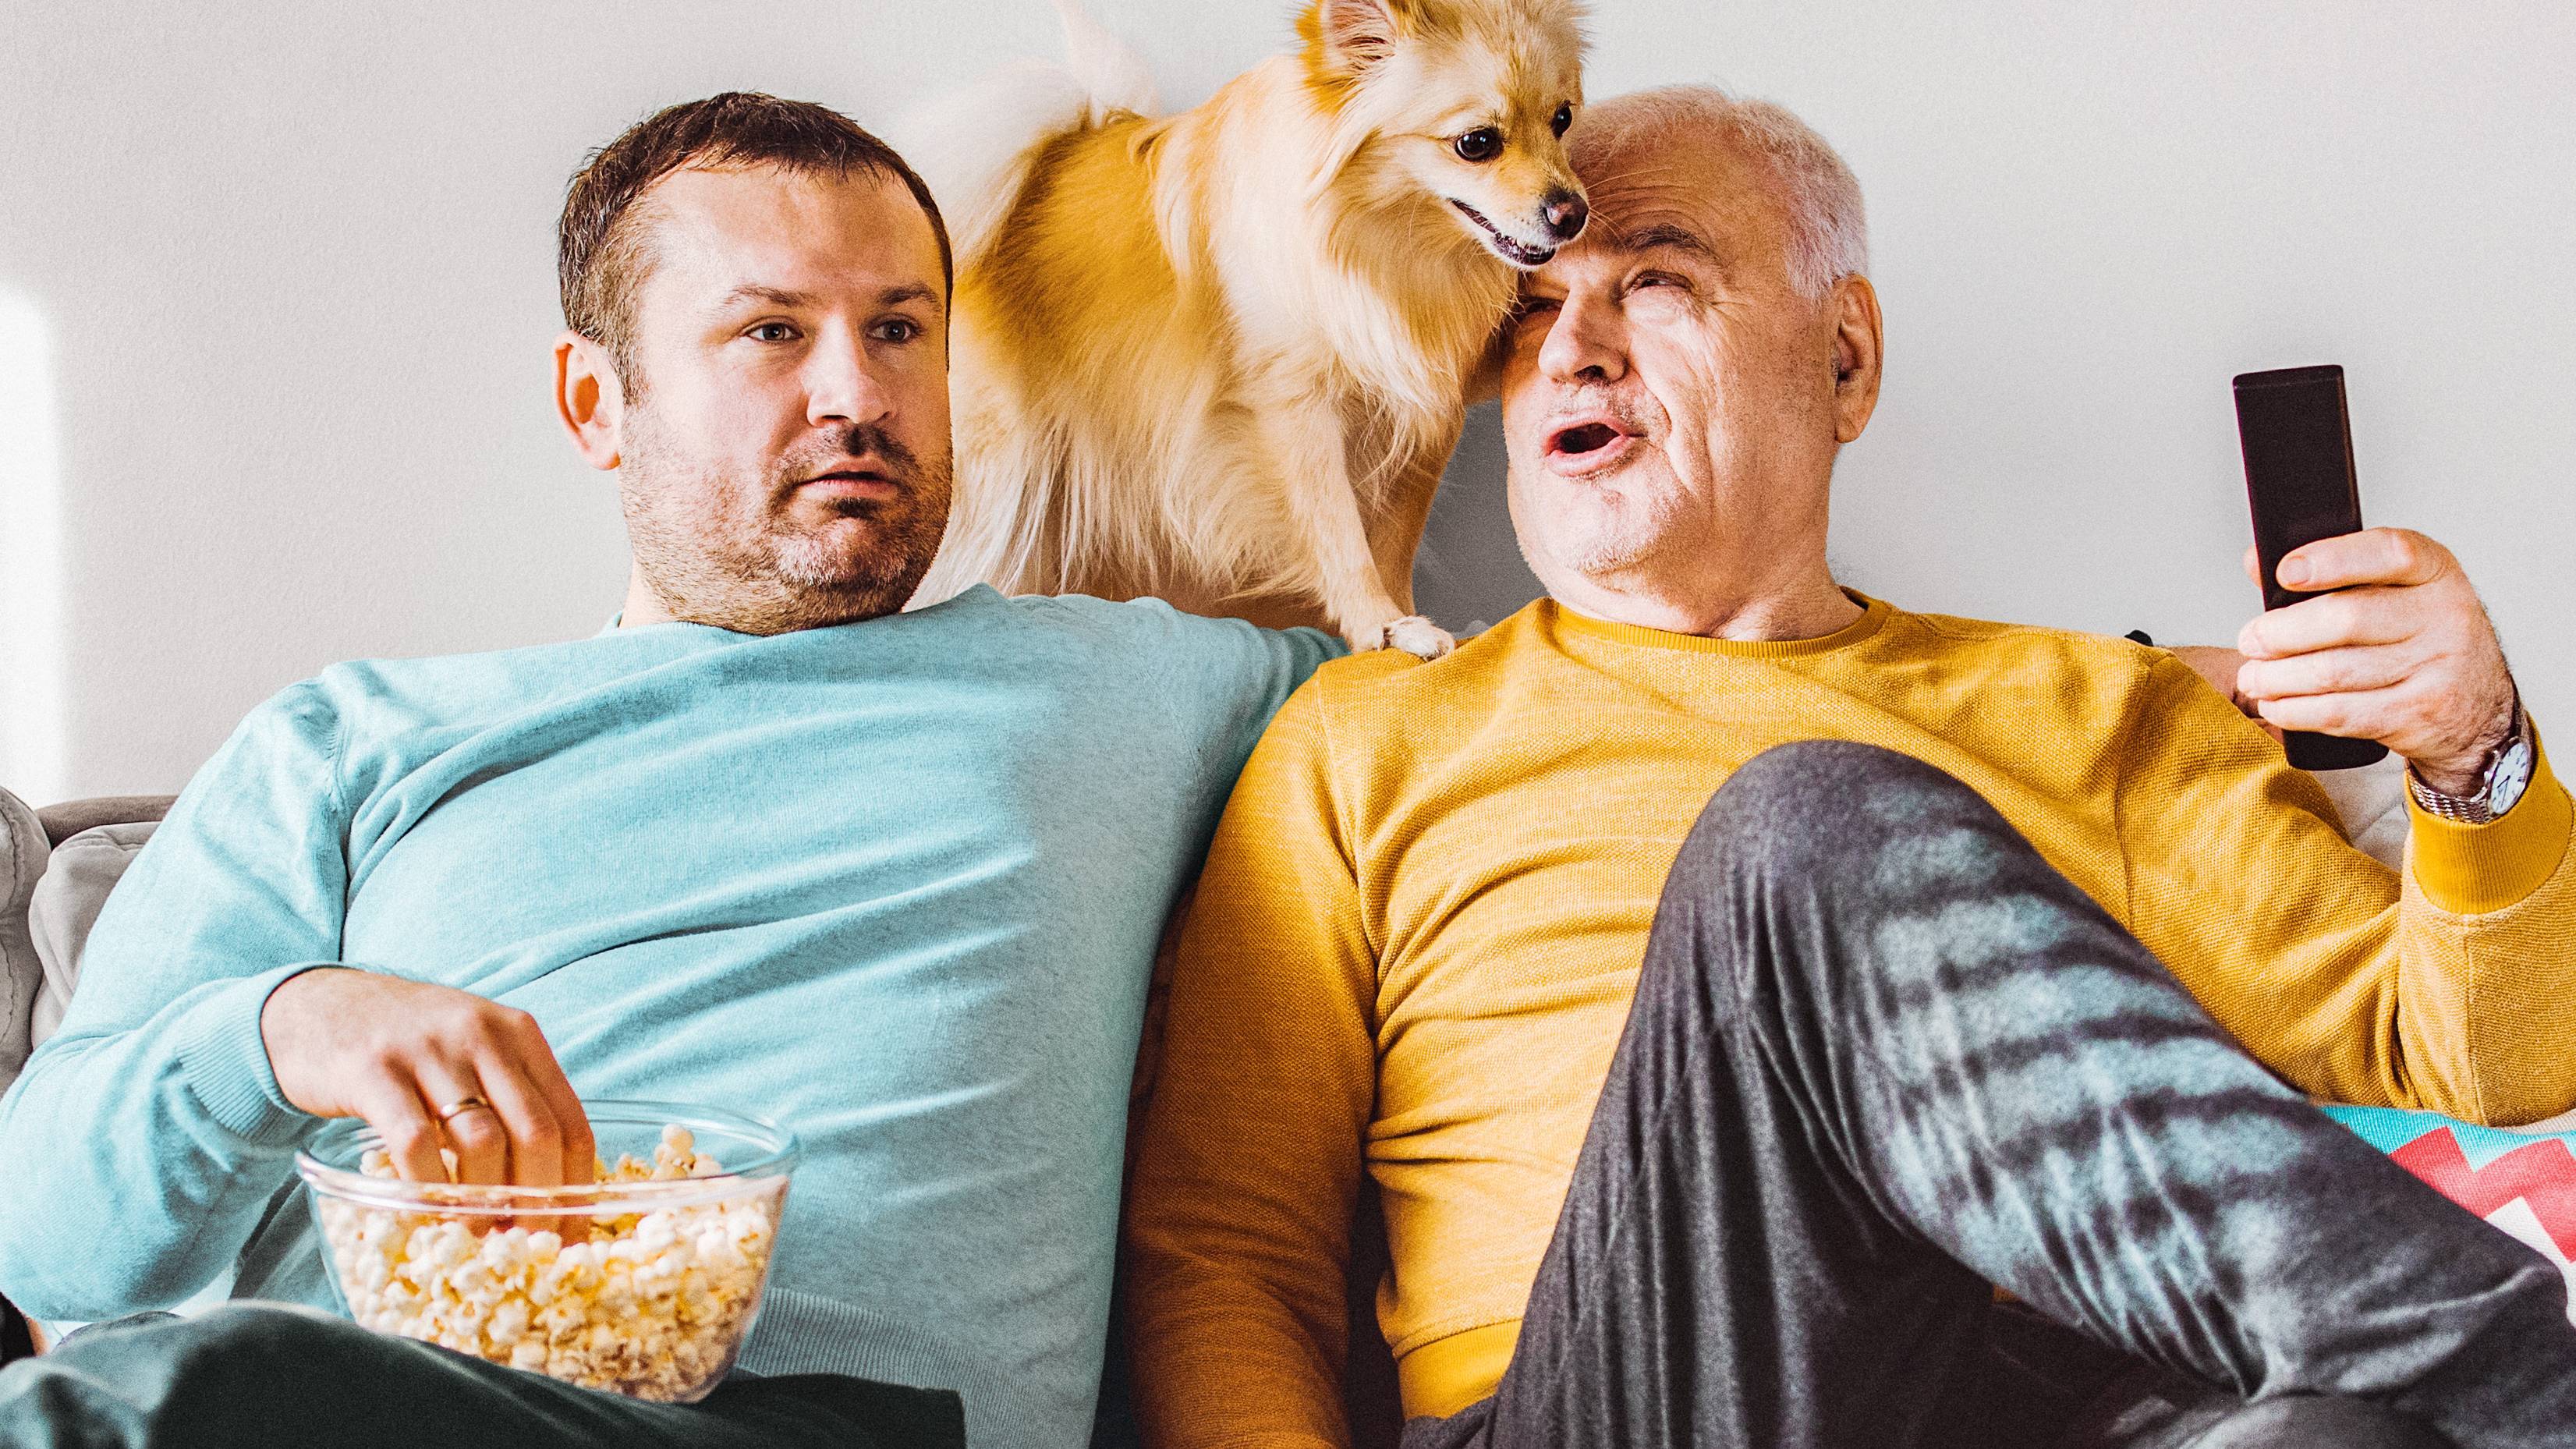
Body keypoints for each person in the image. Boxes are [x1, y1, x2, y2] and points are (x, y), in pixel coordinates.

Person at [1123, 85, 2576, 1449]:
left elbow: (2478, 1067)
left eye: (1654, 280)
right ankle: (2534, 1387)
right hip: (1628, 1391)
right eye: (1529, 315)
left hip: (2050, 1396)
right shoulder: (1369, 733)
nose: (1570, 348)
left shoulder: (2096, 709)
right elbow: (1228, 1254)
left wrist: (2474, 756)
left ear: (1845, 357)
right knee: (1805, 830)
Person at [0, 93, 1337, 1449]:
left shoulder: (1125, 686)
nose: (857, 395)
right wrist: (287, 1027)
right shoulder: (354, 743)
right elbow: (50, 1245)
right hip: (366, 1399)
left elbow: (1507, 686)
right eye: (772, 332)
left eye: (900, 328)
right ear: (599, 404)